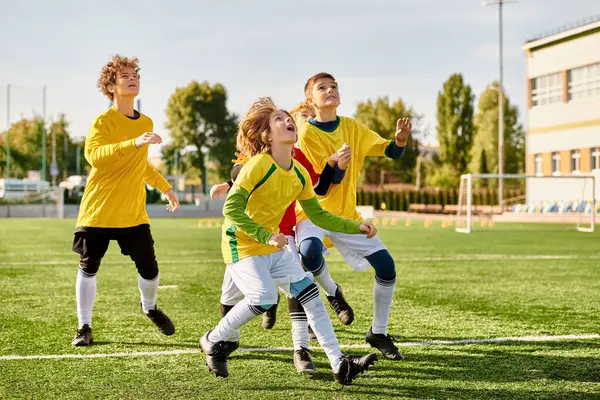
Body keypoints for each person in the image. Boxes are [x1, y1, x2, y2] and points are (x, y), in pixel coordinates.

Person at [199, 97, 377, 384]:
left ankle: (339, 364)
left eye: (288, 117)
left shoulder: (299, 172)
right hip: (241, 245)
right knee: (264, 297)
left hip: (274, 247)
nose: (288, 121)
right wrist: (265, 234)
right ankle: (212, 340)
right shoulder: (258, 165)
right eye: (278, 119)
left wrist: (355, 225)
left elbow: (318, 215)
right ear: (267, 135)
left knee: (310, 295)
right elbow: (230, 208)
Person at [296, 72, 412, 361]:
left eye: (333, 86)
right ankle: (334, 293)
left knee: (387, 267)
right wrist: (336, 165)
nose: (330, 90)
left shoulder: (352, 127)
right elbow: (322, 185)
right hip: (314, 213)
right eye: (321, 88)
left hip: (347, 215)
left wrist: (400, 140)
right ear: (311, 100)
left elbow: (391, 152)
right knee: (308, 254)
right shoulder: (308, 134)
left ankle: (379, 333)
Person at [71, 55, 180, 346]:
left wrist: (165, 187)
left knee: (150, 268)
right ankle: (84, 327)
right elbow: (94, 157)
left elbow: (141, 165)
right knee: (88, 266)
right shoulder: (102, 122)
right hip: (99, 211)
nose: (133, 78)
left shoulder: (145, 122)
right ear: (111, 86)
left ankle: (150, 307)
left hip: (132, 214)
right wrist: (133, 142)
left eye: (136, 75)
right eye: (124, 76)